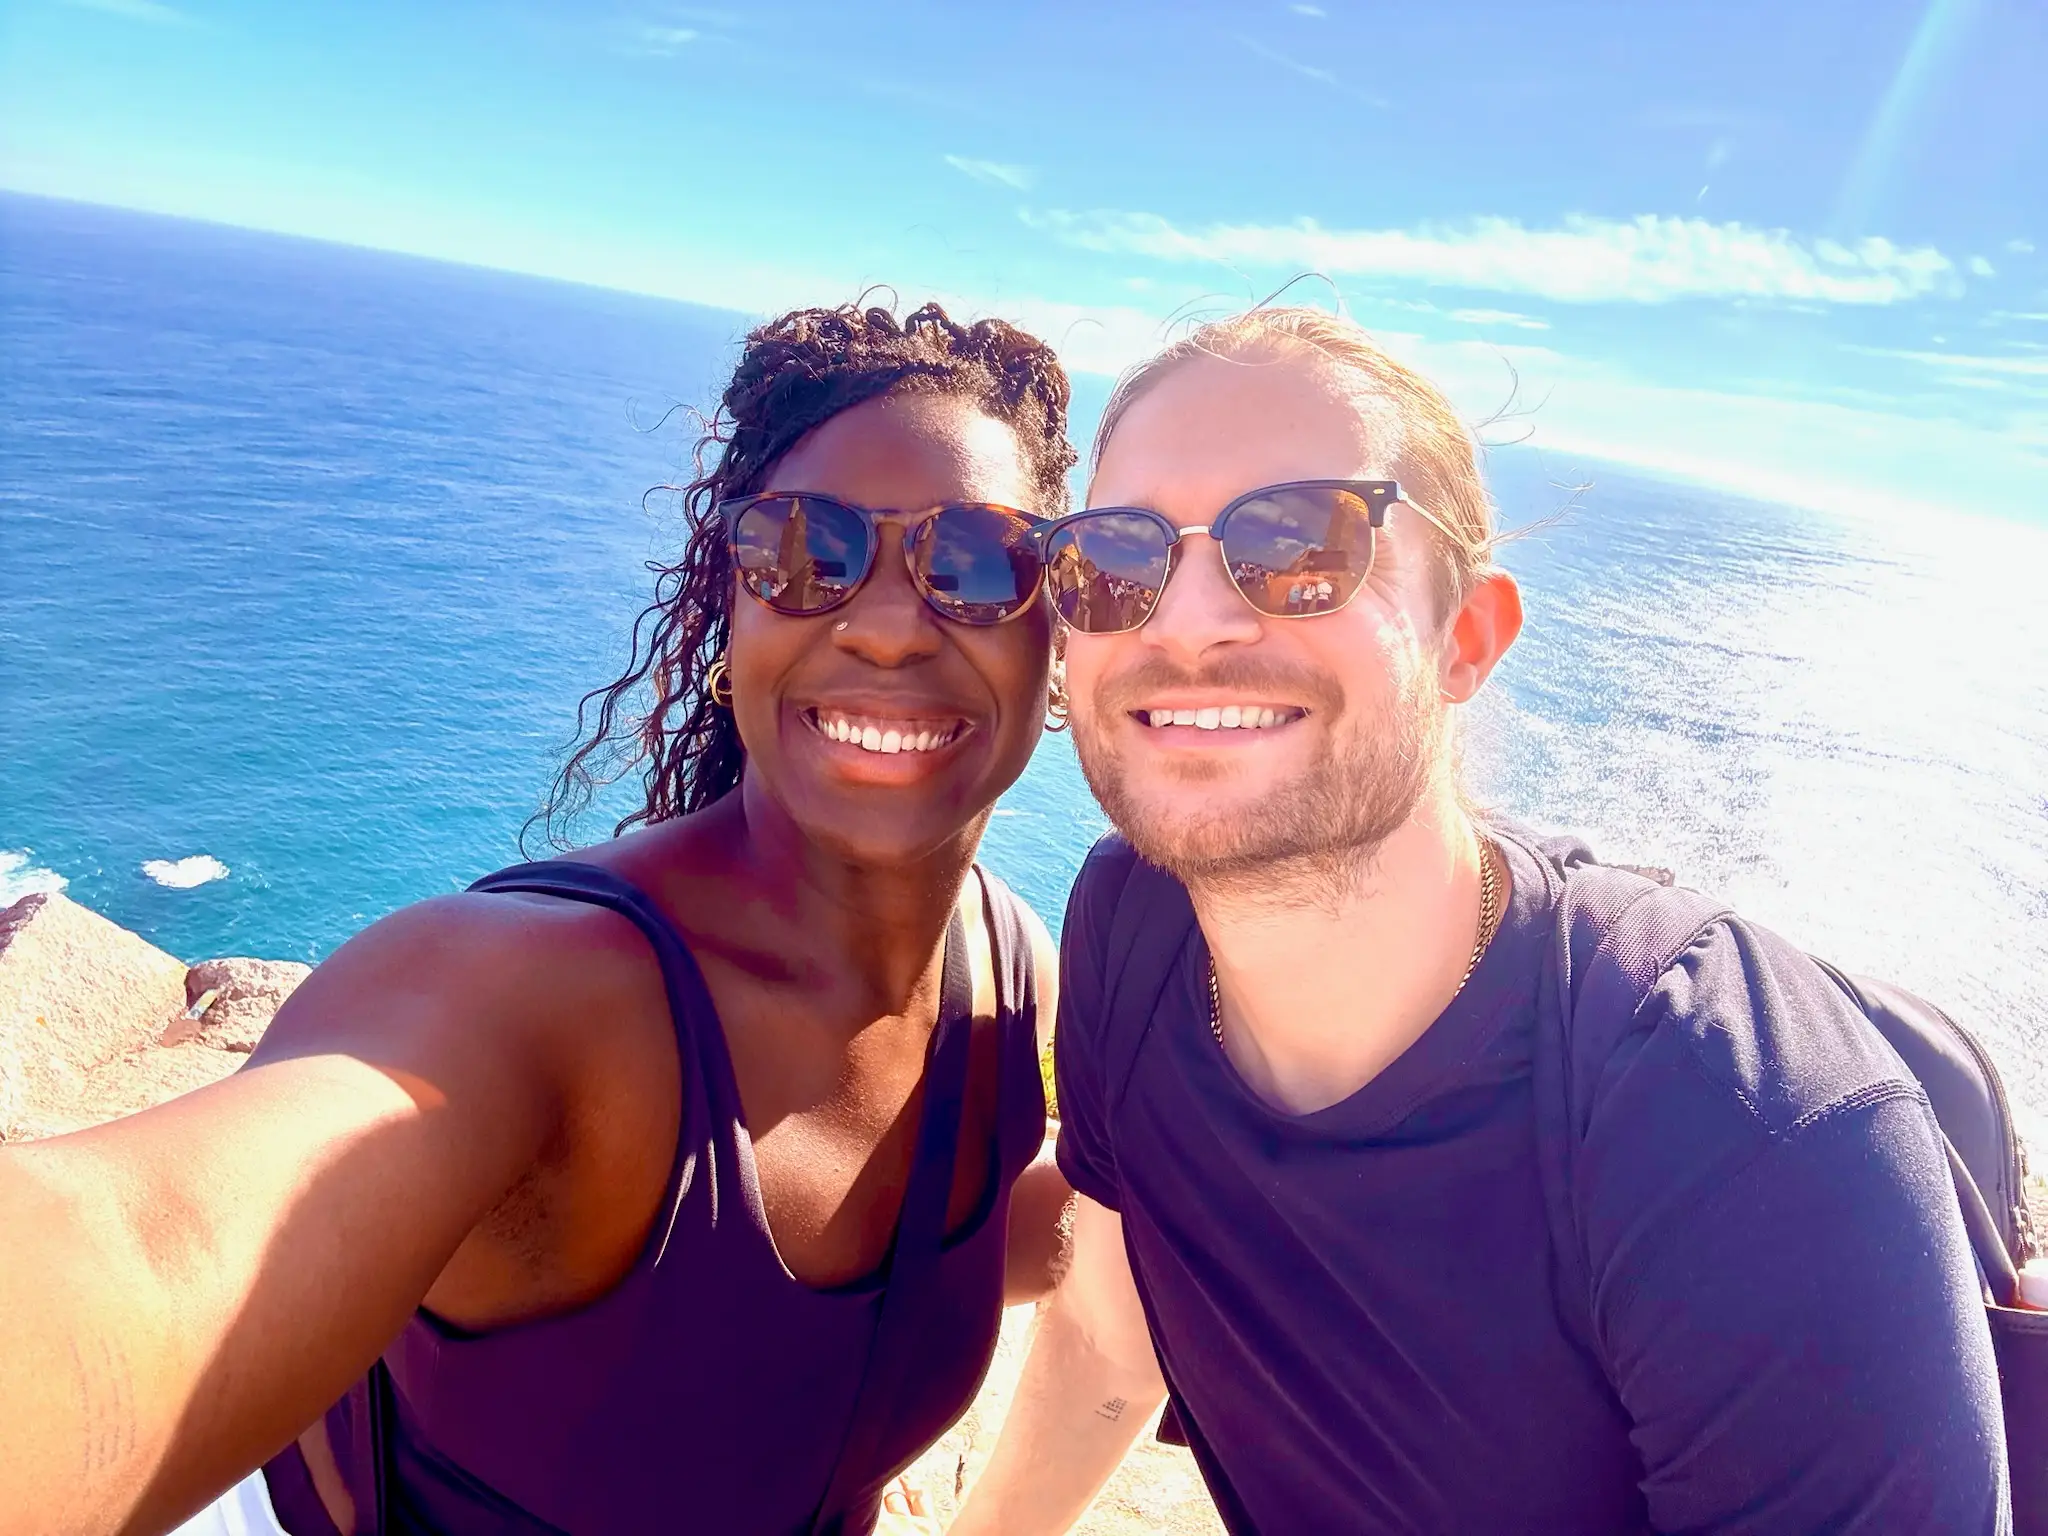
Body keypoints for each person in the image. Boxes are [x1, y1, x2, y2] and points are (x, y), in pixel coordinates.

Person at [0, 301, 1080, 1536]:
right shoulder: (529, 998)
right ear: (734, 611)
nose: (886, 623)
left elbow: (915, 1266)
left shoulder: (1001, 970)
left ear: (1060, 632)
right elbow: (149, 1251)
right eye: (805, 550)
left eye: (981, 562)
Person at [951, 307, 2008, 1534]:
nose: (1184, 621)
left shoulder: (1735, 1121)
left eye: (1298, 546)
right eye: (1117, 559)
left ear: (1466, 640)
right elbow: (1108, 1322)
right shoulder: (1131, 926)